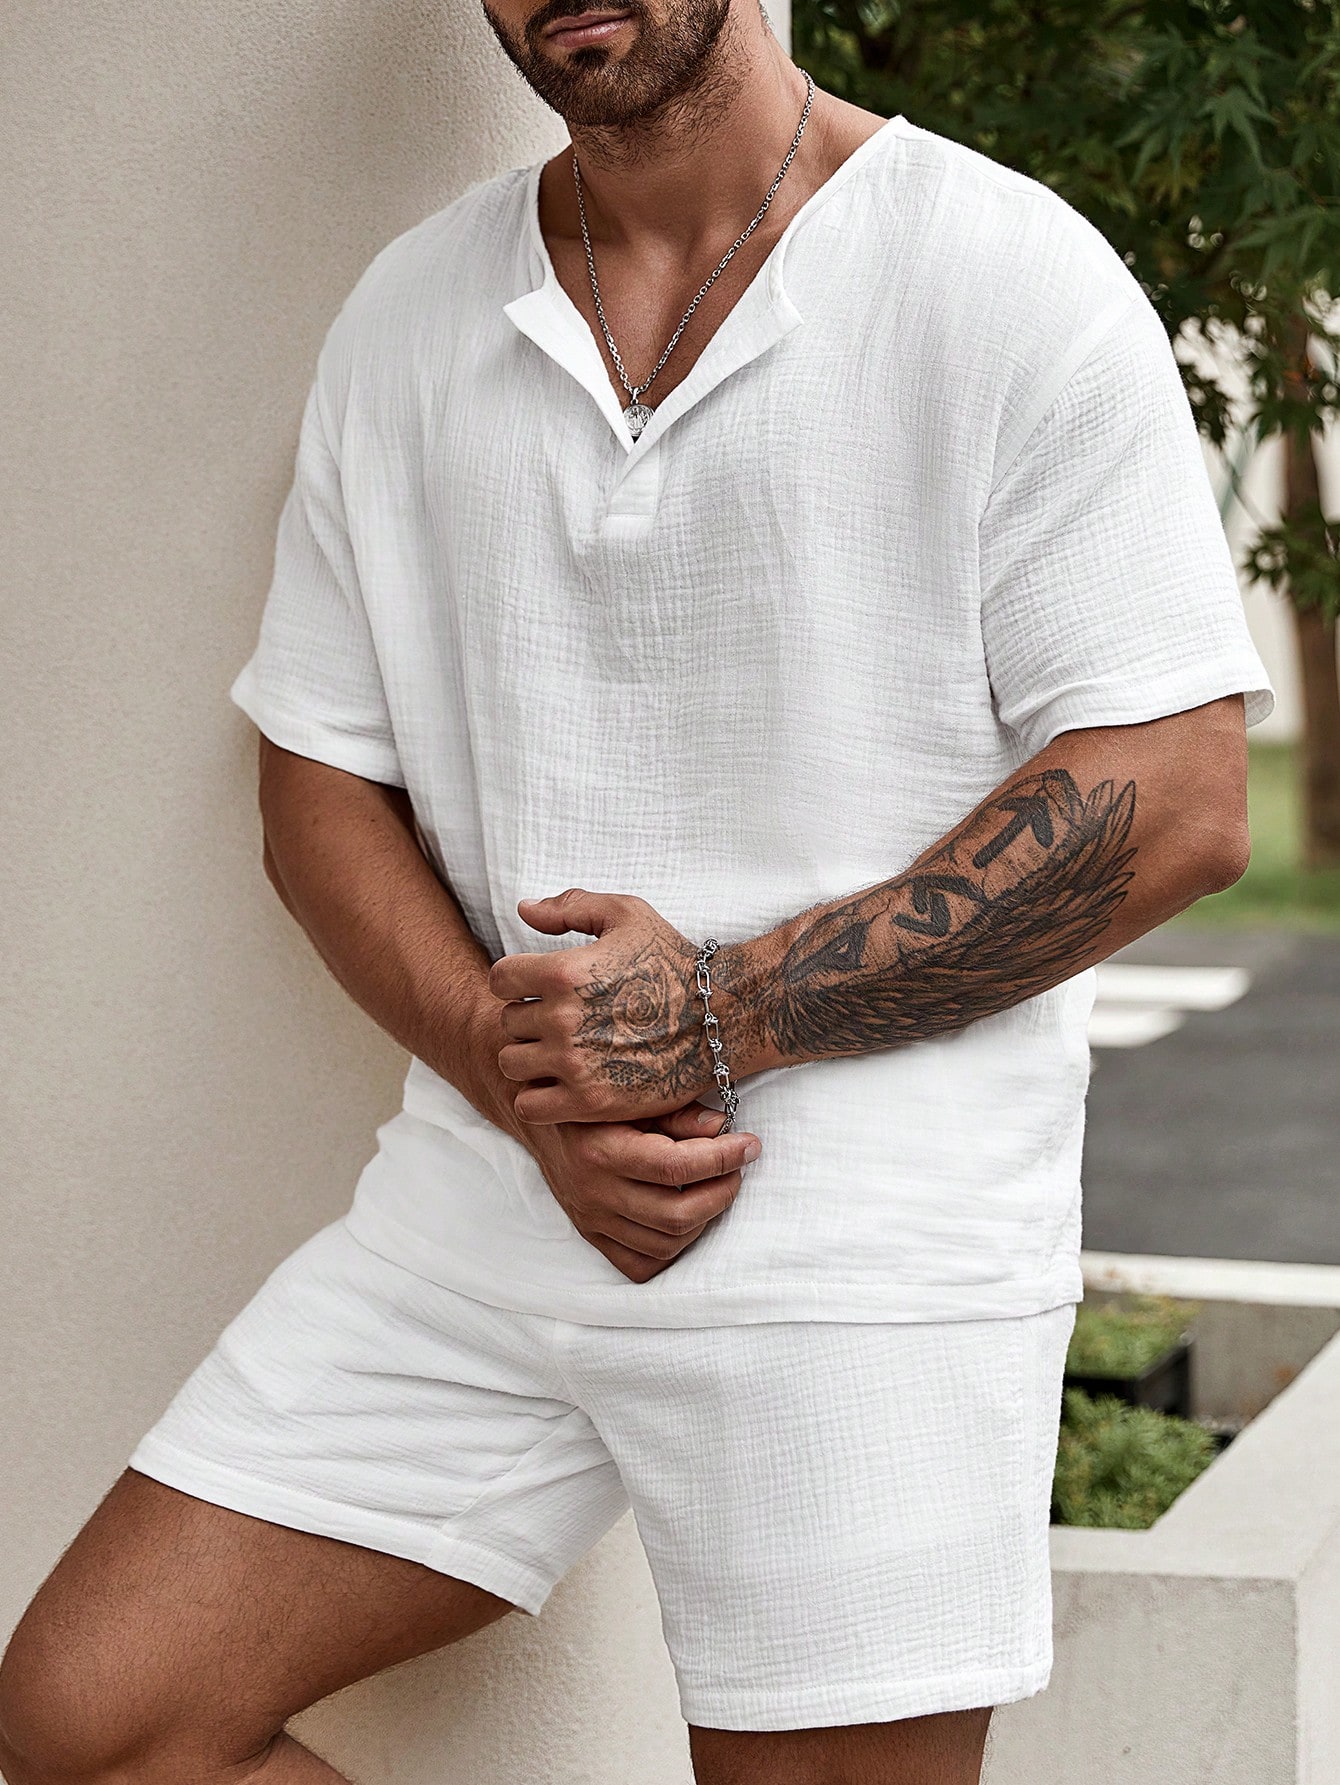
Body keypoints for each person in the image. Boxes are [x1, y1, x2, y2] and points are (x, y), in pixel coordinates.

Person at [0, 2, 1274, 1782]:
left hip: (865, 1248)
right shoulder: (411, 314)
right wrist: (517, 1073)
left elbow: (1180, 795)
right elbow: (316, 785)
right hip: (484, 1205)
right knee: (95, 1720)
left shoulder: (1003, 276)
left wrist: (722, 1011)